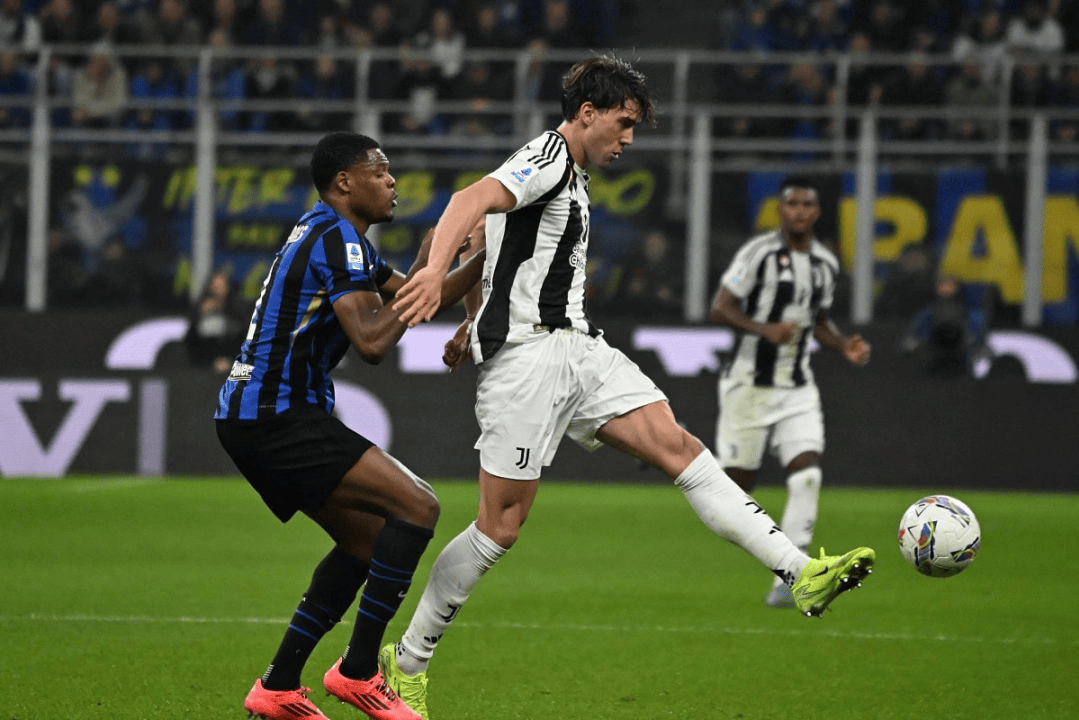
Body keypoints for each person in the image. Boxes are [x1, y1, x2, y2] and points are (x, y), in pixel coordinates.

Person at [381, 55, 876, 719]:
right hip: (528, 363)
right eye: (624, 122)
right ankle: (408, 660)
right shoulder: (548, 155)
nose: (629, 138)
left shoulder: (571, 176)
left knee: (680, 448)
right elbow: (468, 203)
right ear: (587, 113)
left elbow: (494, 248)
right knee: (500, 527)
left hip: (582, 351)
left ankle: (799, 571)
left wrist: (471, 316)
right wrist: (431, 275)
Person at [214, 131, 486, 720]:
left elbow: (419, 295)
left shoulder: (336, 236)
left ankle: (277, 687)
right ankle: (358, 672)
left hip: (259, 413)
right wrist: (479, 262)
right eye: (380, 171)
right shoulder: (336, 239)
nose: (392, 182)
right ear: (345, 182)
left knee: (366, 543)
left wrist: (456, 255)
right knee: (417, 507)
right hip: (275, 412)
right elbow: (372, 342)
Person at [708, 174, 872, 609]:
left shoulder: (826, 263)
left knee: (807, 475)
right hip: (749, 386)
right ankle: (688, 457)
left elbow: (818, 321)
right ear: (781, 210)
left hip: (798, 387)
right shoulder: (758, 253)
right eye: (792, 204)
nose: (799, 211)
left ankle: (793, 577)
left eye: (807, 204)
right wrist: (763, 329)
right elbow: (720, 307)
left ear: (816, 212)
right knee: (733, 493)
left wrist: (843, 345)